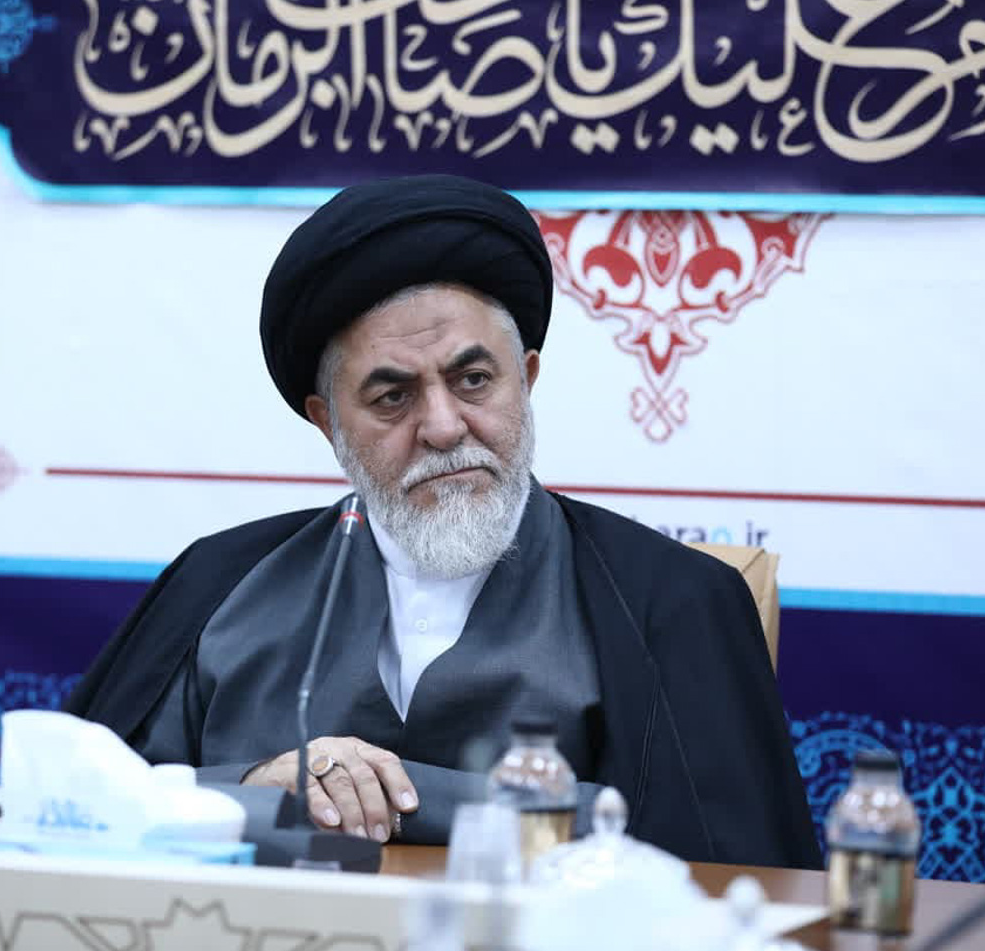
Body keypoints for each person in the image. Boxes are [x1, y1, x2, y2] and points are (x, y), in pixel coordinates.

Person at [65, 174, 821, 868]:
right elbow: (79, 811)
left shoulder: (672, 600)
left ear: (526, 378)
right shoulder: (220, 586)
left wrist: (393, 793)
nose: (443, 426)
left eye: (474, 379)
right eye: (391, 397)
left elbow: (721, 867)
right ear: (328, 422)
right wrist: (256, 784)